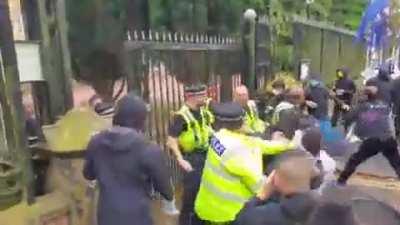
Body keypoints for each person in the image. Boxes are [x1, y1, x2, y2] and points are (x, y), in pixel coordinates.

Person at [195, 102, 294, 225]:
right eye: (245, 119)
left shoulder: (220, 136)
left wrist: (285, 144)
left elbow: (258, 144)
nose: (247, 122)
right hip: (228, 214)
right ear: (240, 124)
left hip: (209, 205)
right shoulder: (238, 152)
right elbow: (259, 186)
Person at [83, 94, 173, 225]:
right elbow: (166, 190)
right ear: (141, 120)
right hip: (138, 217)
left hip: (107, 216)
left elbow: (88, 174)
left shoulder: (96, 142)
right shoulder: (148, 148)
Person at [167, 84, 214, 225]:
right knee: (191, 195)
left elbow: (209, 131)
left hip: (206, 154)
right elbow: (171, 141)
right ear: (192, 97)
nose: (206, 98)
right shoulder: (180, 117)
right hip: (191, 159)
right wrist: (180, 160)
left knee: (206, 191)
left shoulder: (203, 112)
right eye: (203, 95)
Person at [234, 151, 319, 225]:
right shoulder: (322, 212)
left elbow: (240, 221)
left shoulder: (262, 216)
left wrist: (260, 197)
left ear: (275, 178)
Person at [338, 86, 400, 185]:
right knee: (397, 164)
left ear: (366, 96)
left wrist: (347, 111)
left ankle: (341, 181)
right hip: (388, 139)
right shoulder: (384, 106)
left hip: (372, 140)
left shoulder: (361, 107)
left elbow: (348, 119)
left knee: (355, 160)